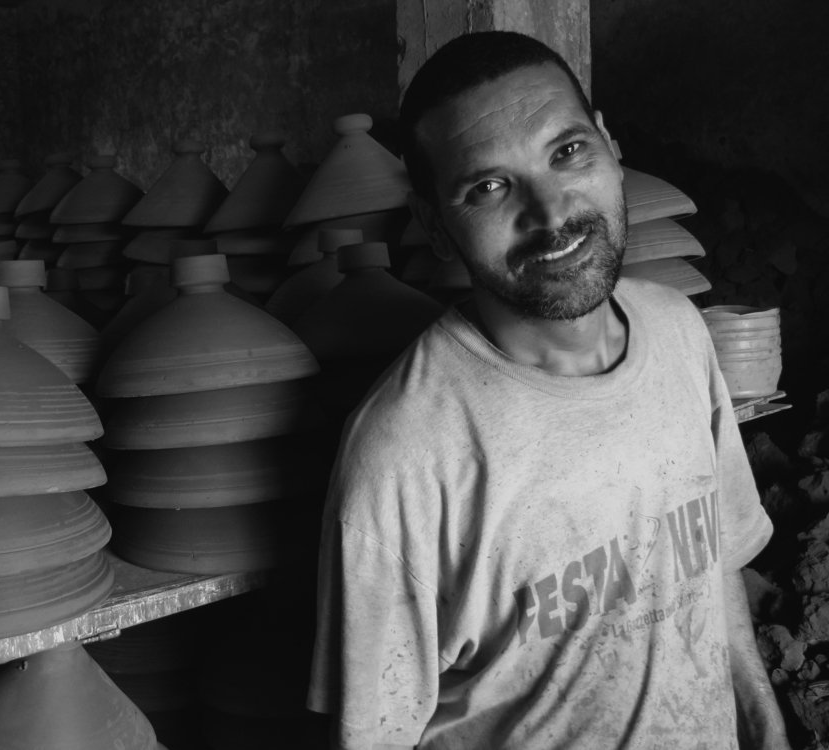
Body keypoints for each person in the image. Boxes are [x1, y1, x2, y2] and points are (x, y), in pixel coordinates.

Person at [307, 30, 788, 749]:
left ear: (609, 144)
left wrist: (765, 725)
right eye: (489, 187)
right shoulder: (403, 454)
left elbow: (711, 565)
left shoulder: (678, 333)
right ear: (434, 224)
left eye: (567, 152)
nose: (551, 212)